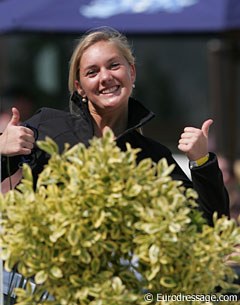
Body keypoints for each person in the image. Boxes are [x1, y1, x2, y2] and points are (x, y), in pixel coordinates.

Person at [1, 27, 229, 226]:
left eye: (113, 66)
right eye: (93, 72)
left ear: (132, 72)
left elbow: (209, 225)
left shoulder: (153, 156)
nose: (105, 77)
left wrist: (200, 162)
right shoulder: (48, 126)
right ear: (80, 87)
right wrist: (2, 149)